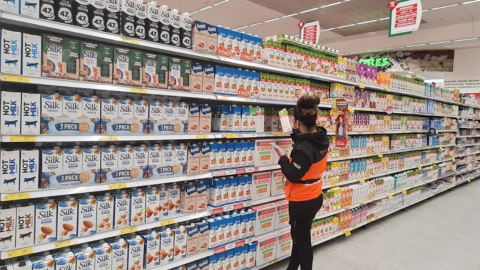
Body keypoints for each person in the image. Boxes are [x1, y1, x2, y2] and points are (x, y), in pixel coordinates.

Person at [272, 95, 329, 270]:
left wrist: (282, 158)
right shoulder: (320, 137)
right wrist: (294, 133)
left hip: (302, 200)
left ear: (298, 121)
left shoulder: (302, 150)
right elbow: (306, 142)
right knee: (299, 237)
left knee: (302, 242)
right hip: (315, 195)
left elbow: (293, 175)